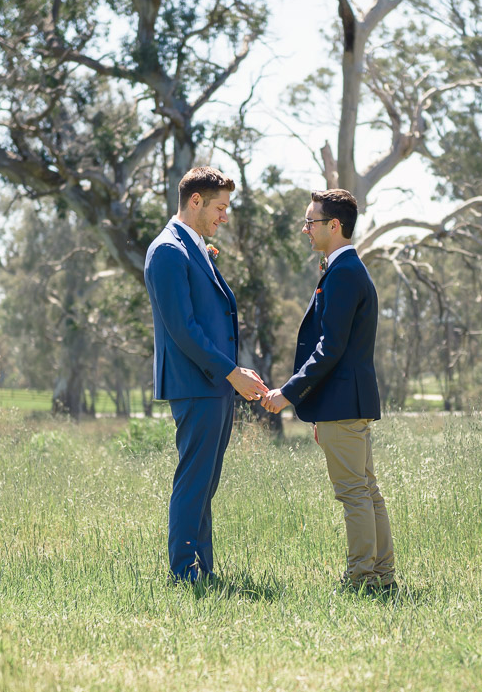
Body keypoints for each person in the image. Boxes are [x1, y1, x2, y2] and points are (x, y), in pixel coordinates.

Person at [262, 189, 396, 593]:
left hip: (343, 403)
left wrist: (289, 393)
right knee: (367, 492)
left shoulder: (344, 273)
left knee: (355, 493)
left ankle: (362, 579)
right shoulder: (345, 270)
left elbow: (330, 348)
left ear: (333, 226)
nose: (305, 229)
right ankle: (381, 575)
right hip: (344, 403)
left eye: (311, 222)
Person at [144, 166, 269, 584]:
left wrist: (233, 372)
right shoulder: (167, 250)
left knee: (205, 485)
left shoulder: (194, 245)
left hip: (213, 382)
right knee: (194, 480)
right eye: (219, 207)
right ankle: (184, 573)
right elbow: (184, 329)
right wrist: (231, 373)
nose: (224, 216)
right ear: (194, 201)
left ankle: (203, 570)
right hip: (196, 383)